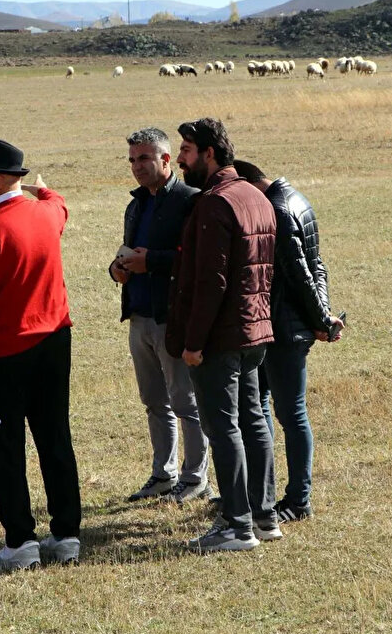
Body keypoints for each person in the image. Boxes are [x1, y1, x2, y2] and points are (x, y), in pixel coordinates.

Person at [0, 138, 82, 570]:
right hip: (54, 343)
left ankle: (21, 541)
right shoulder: (46, 213)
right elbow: (58, 204)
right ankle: (66, 534)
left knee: (5, 448)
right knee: (55, 437)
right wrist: (42, 189)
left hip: (3, 354)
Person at [165, 118, 279, 553]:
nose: (181, 159)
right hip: (255, 329)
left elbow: (211, 282)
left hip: (221, 336)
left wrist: (194, 343)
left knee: (222, 425)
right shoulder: (255, 196)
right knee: (253, 420)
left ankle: (236, 525)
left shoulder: (215, 203)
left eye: (187, 149)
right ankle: (264, 516)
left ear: (209, 153)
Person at [233, 161, 343, 524]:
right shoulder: (297, 198)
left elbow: (299, 273)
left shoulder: (277, 210)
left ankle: (298, 500)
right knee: (262, 407)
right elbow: (317, 266)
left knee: (290, 414)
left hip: (283, 329)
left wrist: (320, 320)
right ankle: (260, 493)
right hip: (284, 326)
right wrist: (322, 315)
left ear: (250, 185)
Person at [109, 127, 210, 504]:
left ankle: (195, 477)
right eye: (132, 160)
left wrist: (151, 262)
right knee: (154, 401)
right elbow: (127, 252)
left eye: (144, 158)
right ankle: (164, 475)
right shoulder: (136, 204)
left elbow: (195, 259)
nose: (137, 166)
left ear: (166, 159)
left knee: (186, 402)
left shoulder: (190, 200)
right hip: (139, 316)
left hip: (173, 318)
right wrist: (117, 269)